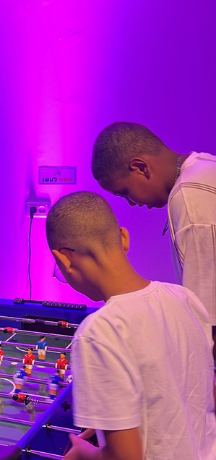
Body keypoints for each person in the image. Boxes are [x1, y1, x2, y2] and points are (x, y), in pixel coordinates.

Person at [46, 191, 216, 460]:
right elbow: (200, 395)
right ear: (123, 238)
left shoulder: (98, 332)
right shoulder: (185, 298)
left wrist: (84, 455)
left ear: (64, 259)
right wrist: (108, 427)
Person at [92, 122, 216, 354]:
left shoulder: (189, 196)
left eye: (125, 193)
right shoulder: (206, 166)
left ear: (141, 167)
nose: (131, 203)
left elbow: (207, 322)